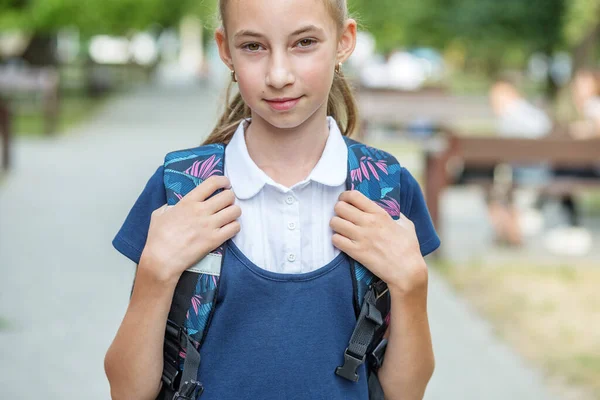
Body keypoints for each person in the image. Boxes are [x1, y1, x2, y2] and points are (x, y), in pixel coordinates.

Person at [103, 1, 441, 399]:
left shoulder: (386, 190)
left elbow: (406, 392)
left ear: (344, 42)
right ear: (225, 49)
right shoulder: (181, 191)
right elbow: (127, 391)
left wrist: (412, 286)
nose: (278, 75)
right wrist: (155, 274)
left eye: (304, 42)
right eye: (253, 47)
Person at [485, 79, 552, 246]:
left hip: (525, 172)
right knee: (496, 184)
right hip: (542, 170)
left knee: (489, 183)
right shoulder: (534, 114)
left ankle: (508, 230)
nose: (493, 103)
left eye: (496, 97)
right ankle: (508, 229)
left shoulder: (510, 115)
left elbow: (503, 151)